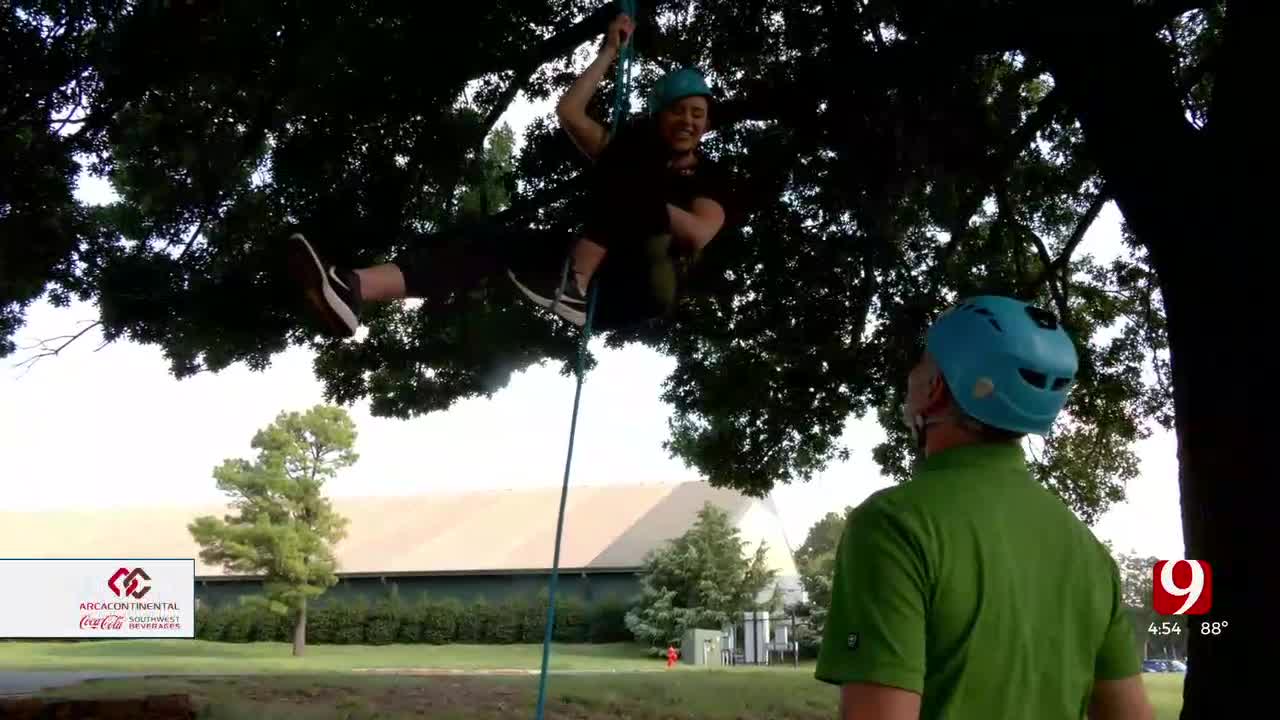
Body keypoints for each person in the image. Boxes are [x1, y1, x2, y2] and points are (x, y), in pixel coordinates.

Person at [815, 296, 1155, 720]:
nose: (910, 375)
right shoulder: (1088, 551)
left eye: (922, 362)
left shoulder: (893, 526)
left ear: (936, 388)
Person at [287, 12, 730, 337]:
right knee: (490, 242)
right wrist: (608, 53)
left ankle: (573, 284)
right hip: (590, 263)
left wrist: (641, 187)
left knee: (626, 171)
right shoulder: (633, 153)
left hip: (642, 283)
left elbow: (697, 234)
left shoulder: (707, 178)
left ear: (706, 123)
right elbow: (571, 112)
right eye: (678, 111)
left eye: (697, 113)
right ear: (660, 117)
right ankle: (356, 287)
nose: (688, 120)